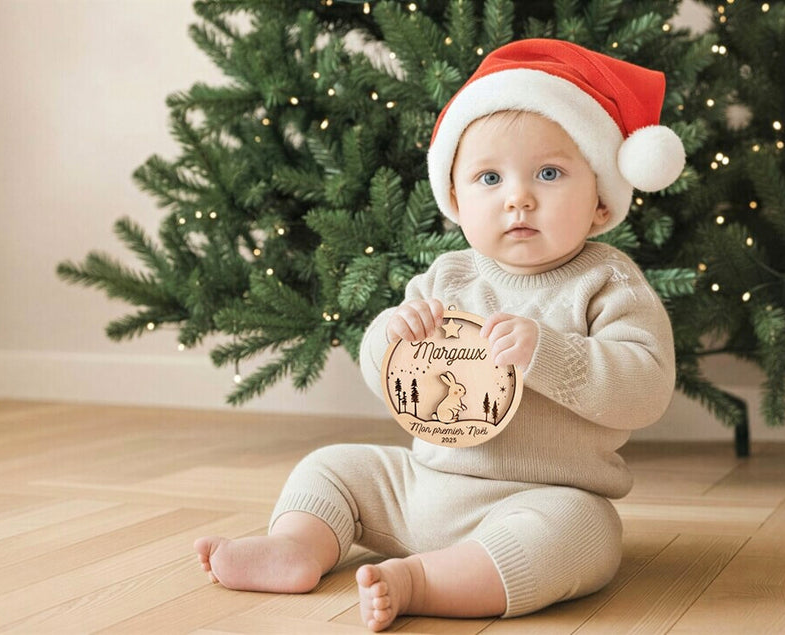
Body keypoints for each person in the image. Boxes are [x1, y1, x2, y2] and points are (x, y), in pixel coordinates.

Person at [193, 38, 685, 630]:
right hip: (422, 486)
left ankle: (423, 581)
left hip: (542, 498)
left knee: (587, 535)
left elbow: (648, 389)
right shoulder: (447, 276)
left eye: (549, 173)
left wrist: (547, 354)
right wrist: (391, 335)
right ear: (453, 199)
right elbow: (388, 373)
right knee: (335, 467)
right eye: (488, 177)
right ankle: (297, 546)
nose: (518, 198)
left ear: (602, 202)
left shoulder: (605, 281)